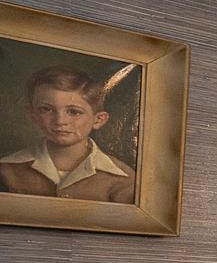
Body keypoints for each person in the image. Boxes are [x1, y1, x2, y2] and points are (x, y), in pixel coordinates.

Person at [0, 64, 137, 203]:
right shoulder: (6, 169)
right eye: (46, 109)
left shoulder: (125, 179)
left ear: (98, 120)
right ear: (33, 115)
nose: (60, 121)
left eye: (73, 112)